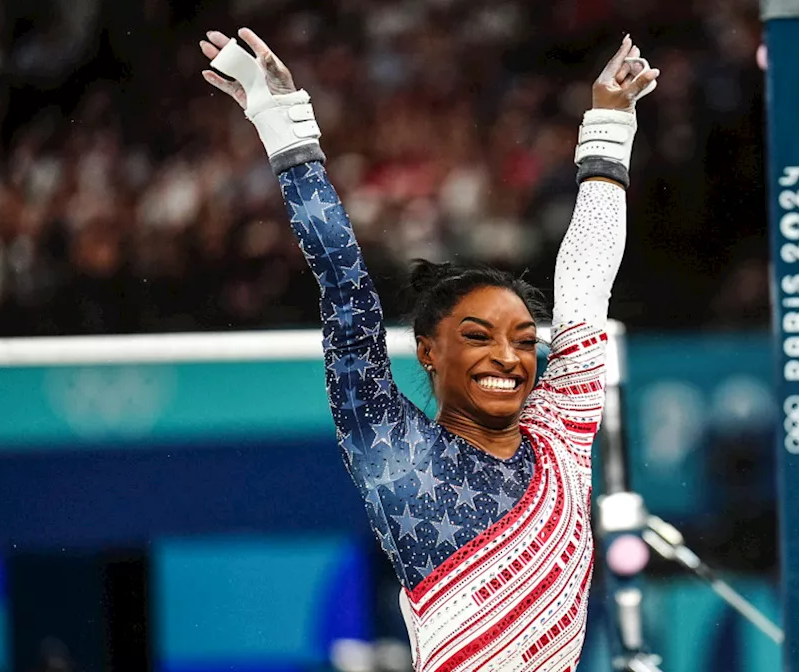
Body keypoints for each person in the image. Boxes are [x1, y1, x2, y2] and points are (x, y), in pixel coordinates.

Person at [198, 27, 658, 671]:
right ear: (428, 353)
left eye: (526, 341)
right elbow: (344, 286)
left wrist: (609, 124)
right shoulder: (392, 451)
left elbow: (584, 287)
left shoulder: (561, 436)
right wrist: (283, 123)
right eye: (478, 337)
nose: (509, 357)